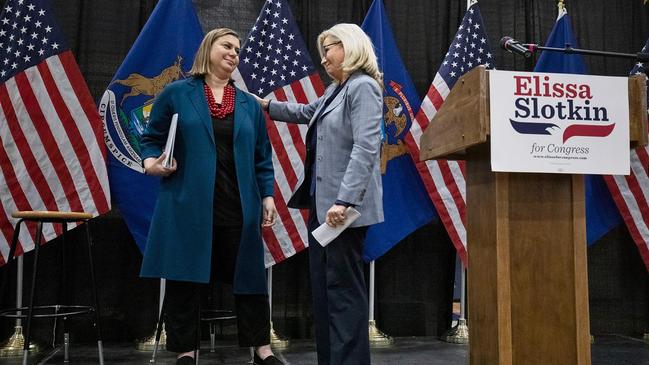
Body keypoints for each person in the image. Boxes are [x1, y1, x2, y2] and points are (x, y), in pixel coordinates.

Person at [139, 28, 284, 365]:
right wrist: (150, 163)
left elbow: (263, 157)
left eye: (237, 48)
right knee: (185, 279)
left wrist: (267, 196)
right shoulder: (176, 93)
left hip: (238, 206)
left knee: (250, 279)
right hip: (188, 205)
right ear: (208, 50)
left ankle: (262, 350)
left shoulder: (248, 104)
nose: (234, 53)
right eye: (227, 46)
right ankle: (186, 352)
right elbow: (151, 138)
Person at [257, 23, 384, 365]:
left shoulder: (363, 87)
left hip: (343, 208)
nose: (324, 57)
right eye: (323, 49)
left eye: (330, 48)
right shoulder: (335, 90)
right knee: (326, 291)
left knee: (342, 292)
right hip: (323, 205)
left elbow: (367, 146)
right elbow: (304, 113)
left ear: (352, 47)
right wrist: (264, 105)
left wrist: (345, 199)